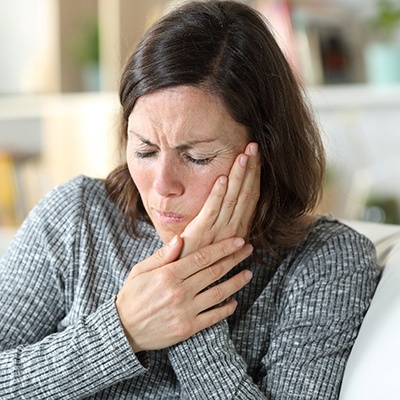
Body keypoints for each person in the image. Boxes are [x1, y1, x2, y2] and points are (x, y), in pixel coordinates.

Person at [0, 1, 379, 399]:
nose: (163, 184)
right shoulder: (77, 216)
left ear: (266, 150)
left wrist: (189, 309)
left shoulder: (325, 261)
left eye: (196, 157)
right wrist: (122, 331)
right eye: (145, 150)